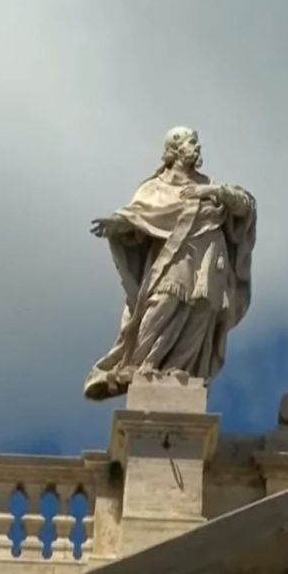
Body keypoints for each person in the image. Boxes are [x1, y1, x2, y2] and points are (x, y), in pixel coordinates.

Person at [84, 127, 256, 399]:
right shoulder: (155, 187)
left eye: (197, 142)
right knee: (163, 301)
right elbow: (140, 214)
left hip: (209, 254)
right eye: (190, 142)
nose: (196, 147)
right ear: (173, 150)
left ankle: (180, 371)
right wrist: (117, 223)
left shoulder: (210, 185)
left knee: (203, 309)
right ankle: (141, 365)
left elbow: (245, 206)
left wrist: (214, 191)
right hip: (175, 255)